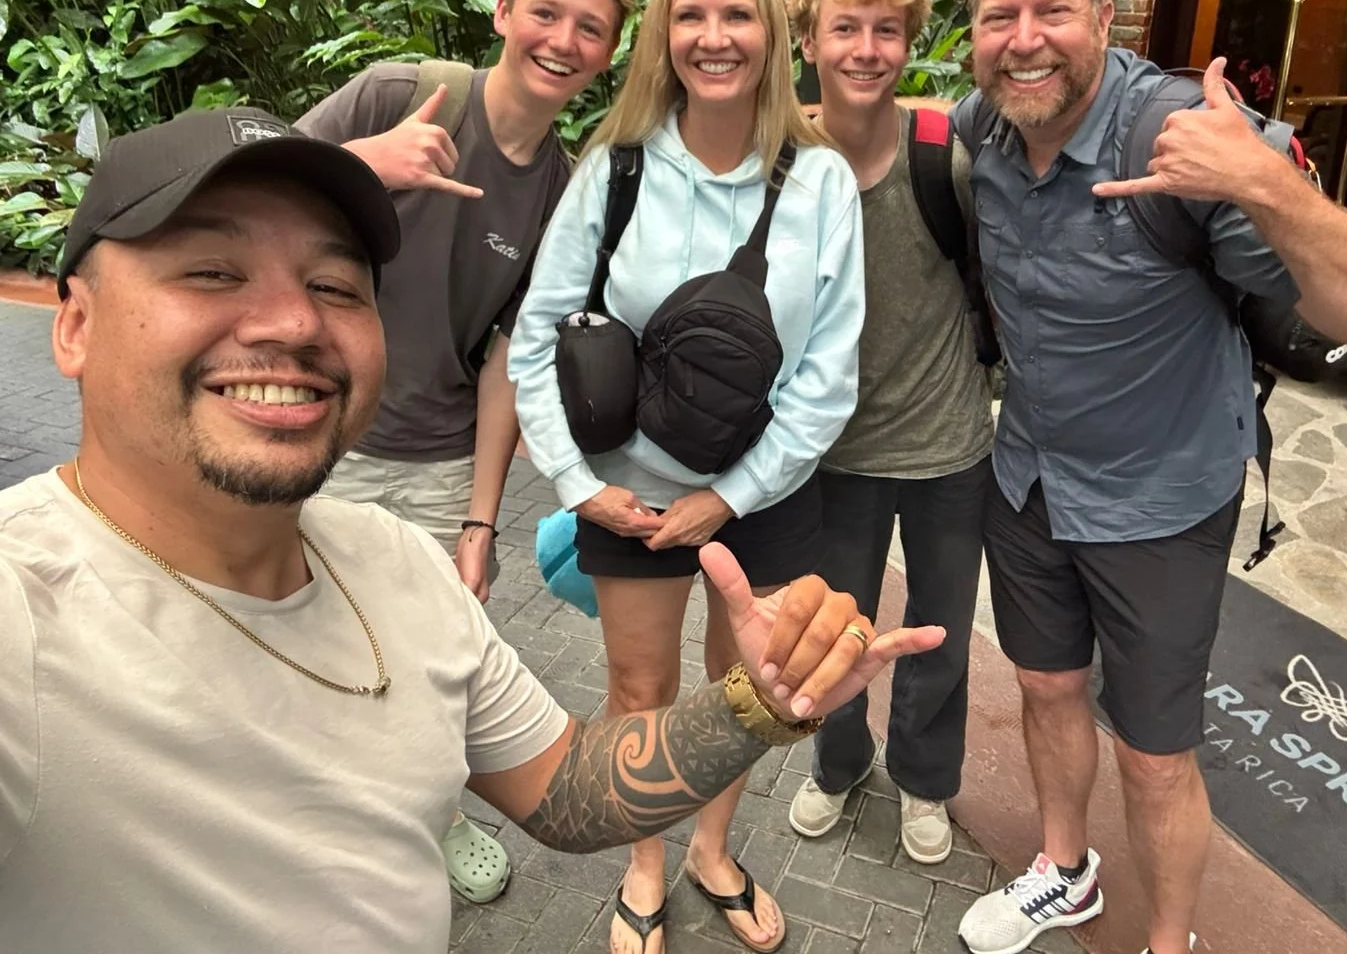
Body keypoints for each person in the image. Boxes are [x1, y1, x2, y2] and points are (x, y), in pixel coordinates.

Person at [0, 107, 938, 954]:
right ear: (73, 324)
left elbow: (572, 790)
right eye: (212, 270)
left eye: (335, 284)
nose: (291, 321)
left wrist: (754, 704)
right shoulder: (25, 609)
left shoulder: (395, 566)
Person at [948, 0, 1347, 954]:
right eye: (998, 16)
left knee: (1157, 752)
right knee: (1044, 685)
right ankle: (1064, 873)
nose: (1023, 37)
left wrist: (1258, 178)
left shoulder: (1186, 139)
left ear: (1106, 18)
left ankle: (1171, 944)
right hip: (1029, 478)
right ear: (973, 36)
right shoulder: (981, 130)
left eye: (1052, 11)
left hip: (1159, 498)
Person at [509, 0, 865, 954]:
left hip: (767, 491)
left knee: (743, 691)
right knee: (639, 691)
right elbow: (537, 338)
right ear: (664, 33)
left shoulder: (819, 183)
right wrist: (578, 486)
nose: (715, 37)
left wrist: (734, 495)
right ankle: (645, 863)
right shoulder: (615, 170)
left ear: (773, 32)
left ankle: (712, 851)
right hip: (628, 496)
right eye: (691, 15)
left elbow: (826, 374)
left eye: (737, 14)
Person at [297, 0, 632, 900]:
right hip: (313, 437)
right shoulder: (399, 92)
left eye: (590, 27)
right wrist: (364, 163)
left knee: (429, 656)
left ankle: (430, 813)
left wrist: (482, 519)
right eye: (545, 12)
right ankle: (315, 818)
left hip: (438, 453)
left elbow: (505, 362)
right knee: (299, 637)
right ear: (501, 12)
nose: (562, 40)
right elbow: (243, 188)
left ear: (607, 52)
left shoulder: (560, 192)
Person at [782, 0, 992, 865]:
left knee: (938, 635)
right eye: (846, 29)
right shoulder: (779, 160)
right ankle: (837, 763)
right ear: (809, 43)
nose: (867, 50)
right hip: (833, 453)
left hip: (948, 446)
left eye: (887, 31)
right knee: (833, 632)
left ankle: (925, 781)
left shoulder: (945, 156)